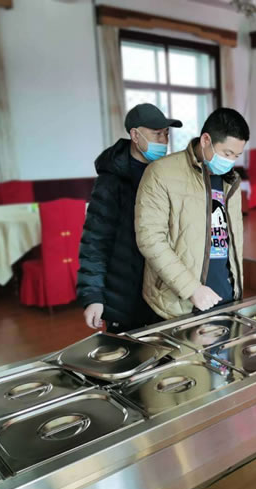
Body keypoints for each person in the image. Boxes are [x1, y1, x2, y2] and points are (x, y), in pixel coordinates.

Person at [135, 107, 249, 319]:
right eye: (227, 154)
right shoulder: (161, 173)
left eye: (237, 155)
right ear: (206, 140)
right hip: (180, 303)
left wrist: (235, 289)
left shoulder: (230, 180)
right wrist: (191, 288)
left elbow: (231, 242)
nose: (230, 161)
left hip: (224, 297)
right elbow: (150, 239)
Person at [77, 103, 181, 333]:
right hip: (124, 296)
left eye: (166, 134)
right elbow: (95, 241)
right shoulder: (111, 181)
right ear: (135, 135)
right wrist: (93, 296)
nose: (164, 141)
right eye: (156, 134)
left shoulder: (167, 174)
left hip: (162, 293)